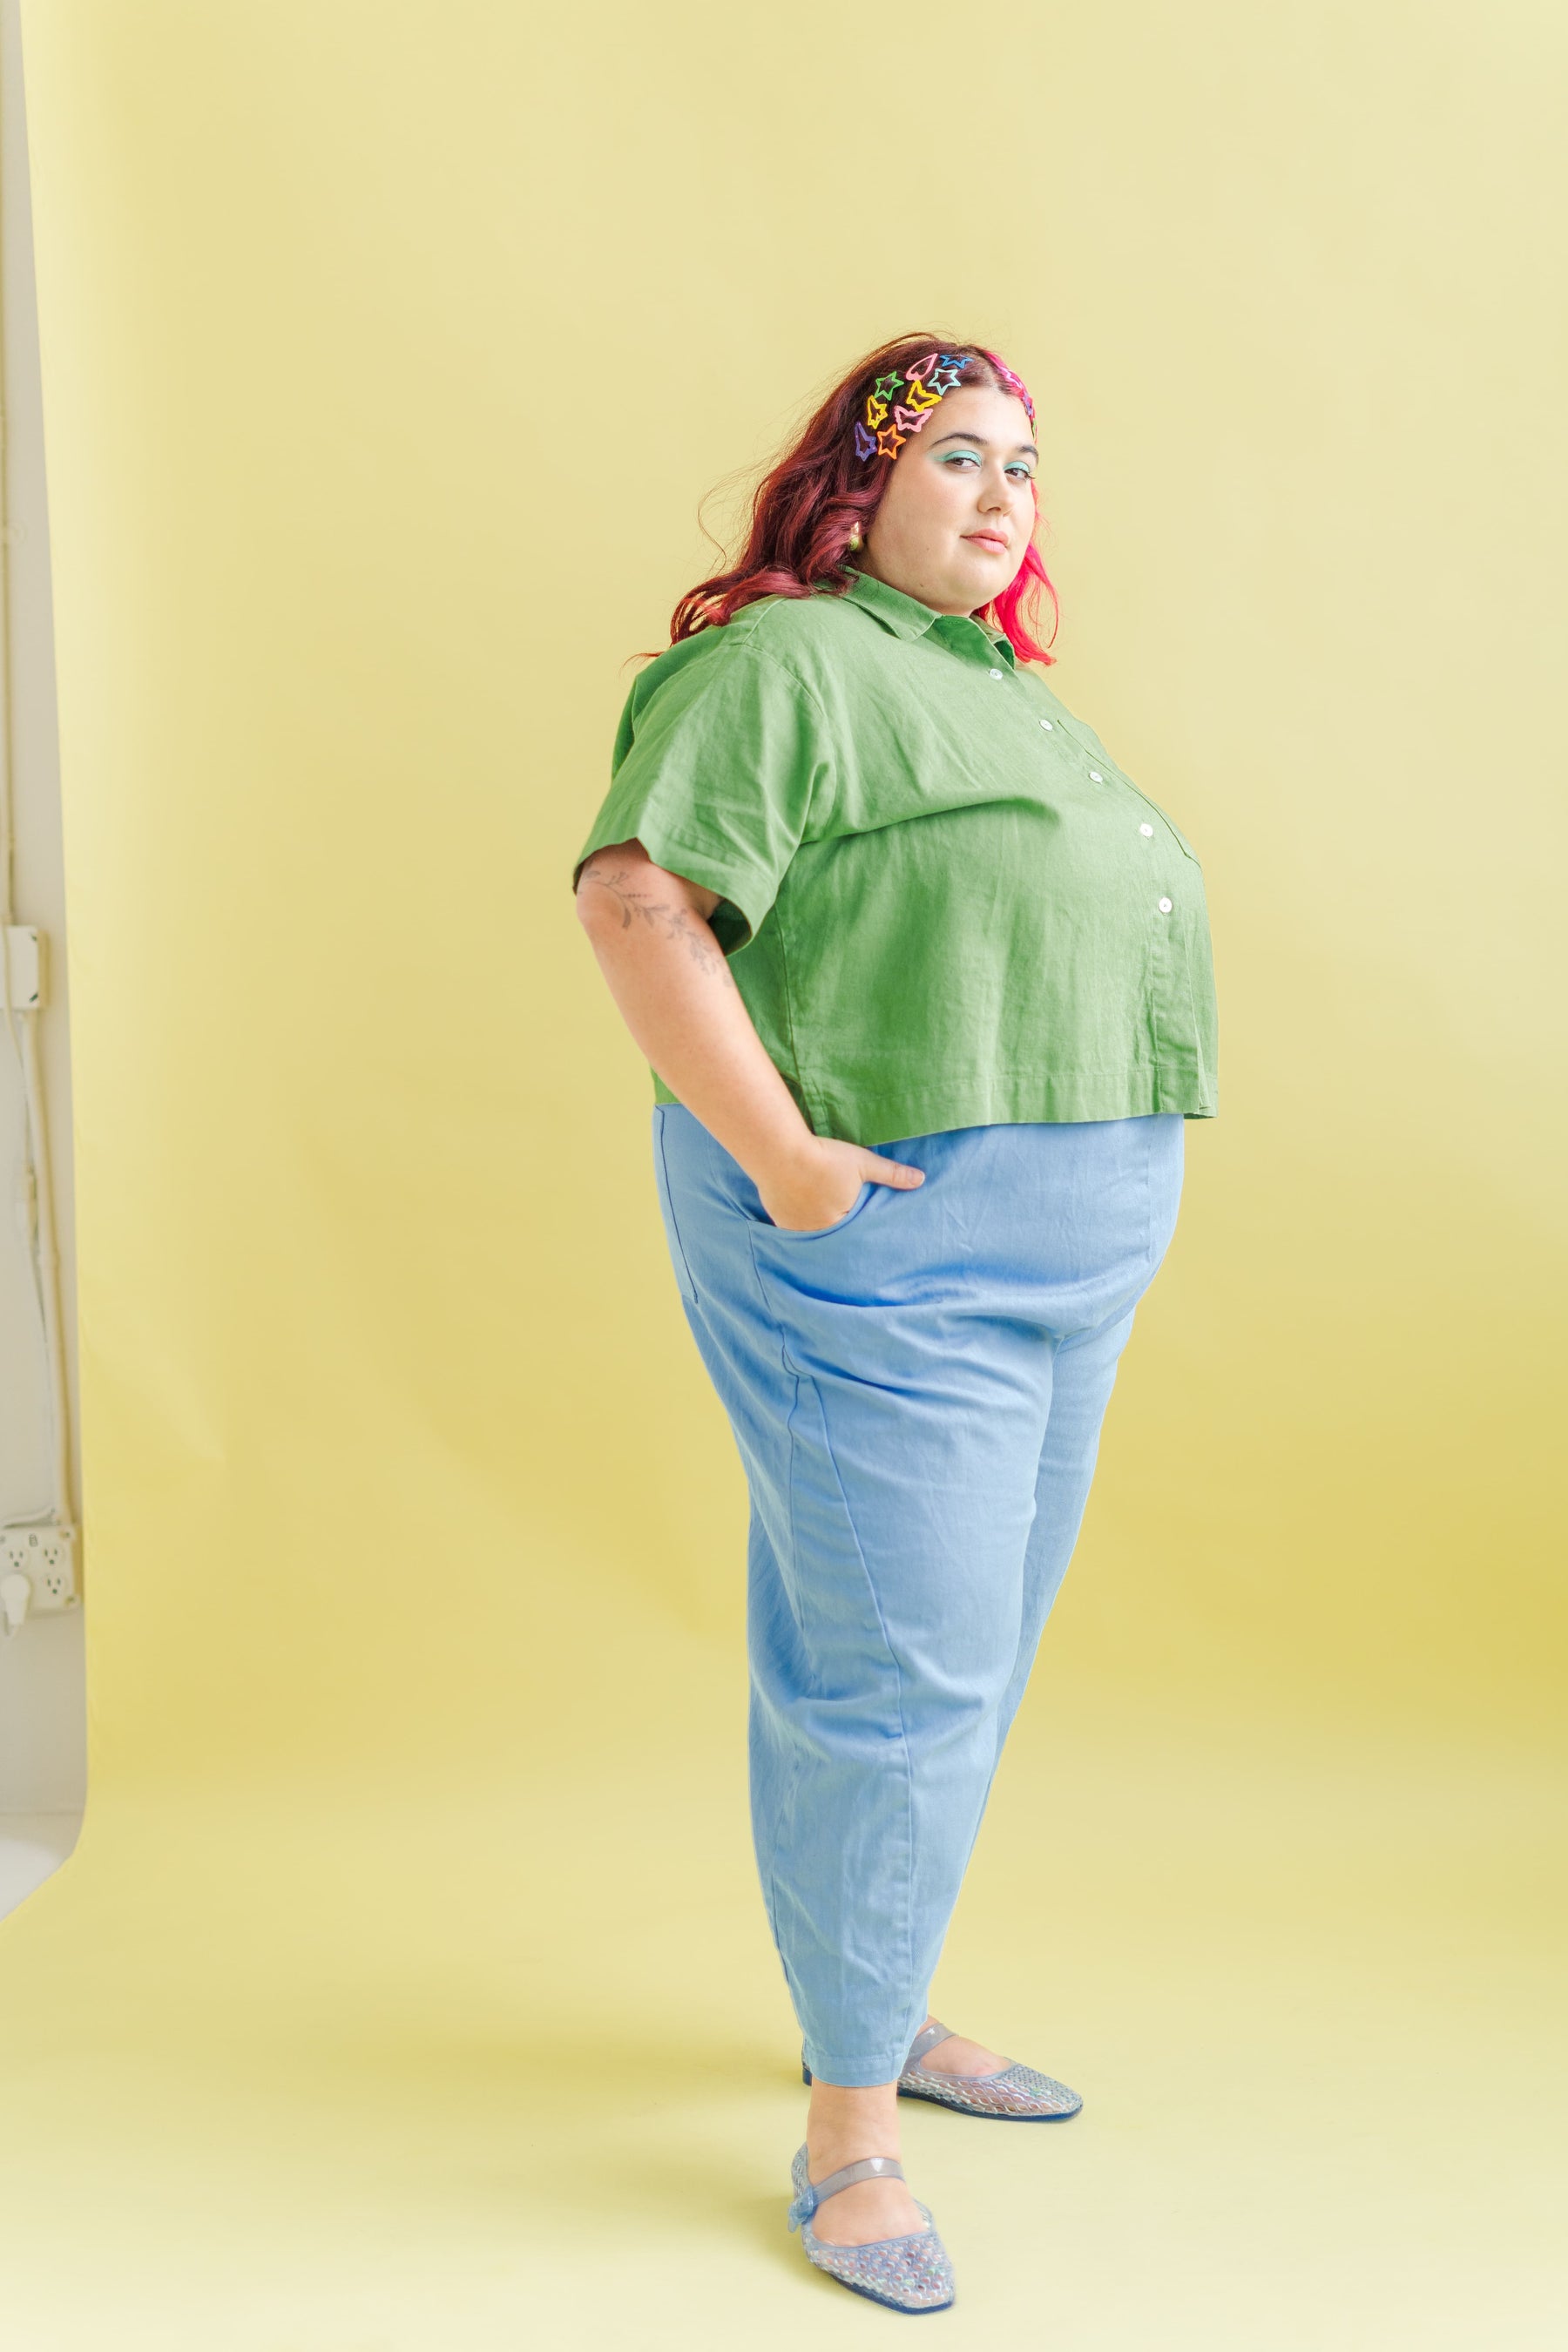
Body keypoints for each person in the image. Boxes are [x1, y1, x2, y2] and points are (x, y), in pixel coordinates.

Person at [572, 335, 1218, 2315]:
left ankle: (878, 1992)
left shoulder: (994, 683)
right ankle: (850, 2133)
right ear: (855, 489)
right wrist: (786, 1164)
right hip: (891, 1264)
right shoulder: (789, 661)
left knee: (955, 1667)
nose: (1005, 493)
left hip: (1060, 1275)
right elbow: (637, 900)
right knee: (904, 1679)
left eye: (1025, 463)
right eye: (957, 455)